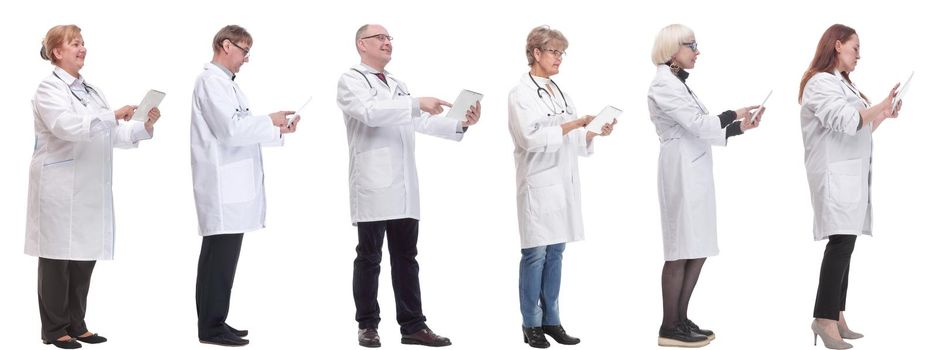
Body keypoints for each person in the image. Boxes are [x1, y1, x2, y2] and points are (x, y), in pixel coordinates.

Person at [336, 23, 480, 348]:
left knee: (406, 257)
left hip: (403, 186)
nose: (388, 42)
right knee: (369, 256)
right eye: (380, 38)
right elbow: (370, 113)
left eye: (390, 38)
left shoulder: (399, 85)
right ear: (362, 44)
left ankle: (413, 326)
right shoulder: (351, 80)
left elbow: (420, 121)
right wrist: (416, 103)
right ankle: (368, 326)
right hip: (372, 183)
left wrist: (461, 122)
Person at [25, 24, 161, 349]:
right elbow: (66, 126)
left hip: (88, 188)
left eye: (83, 43)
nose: (82, 48)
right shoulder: (49, 89)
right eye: (75, 44)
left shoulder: (91, 91)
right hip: (59, 187)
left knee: (84, 257)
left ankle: (77, 323)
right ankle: (54, 329)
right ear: (57, 51)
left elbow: (111, 133)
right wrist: (113, 116)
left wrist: (143, 125)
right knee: (57, 259)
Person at [647, 24, 763, 348]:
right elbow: (698, 125)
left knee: (697, 247)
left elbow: (700, 124)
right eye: (691, 45)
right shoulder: (663, 85)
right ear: (672, 50)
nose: (697, 51)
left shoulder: (678, 84)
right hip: (680, 172)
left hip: (694, 171)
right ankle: (669, 325)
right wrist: (736, 123)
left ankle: (681, 319)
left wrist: (736, 119)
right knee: (680, 249)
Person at [190, 24, 300, 347]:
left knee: (223, 260)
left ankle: (216, 320)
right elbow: (230, 130)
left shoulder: (227, 84)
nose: (246, 59)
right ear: (226, 45)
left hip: (232, 188)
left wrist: (276, 128)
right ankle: (210, 327)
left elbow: (240, 127)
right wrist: (270, 121)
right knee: (217, 260)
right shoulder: (210, 81)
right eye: (244, 50)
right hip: (221, 187)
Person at [507, 25, 615, 349]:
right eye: (554, 52)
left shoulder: (560, 91)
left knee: (556, 253)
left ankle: (552, 320)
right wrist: (576, 122)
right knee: (535, 254)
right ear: (536, 53)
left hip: (562, 186)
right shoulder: (520, 94)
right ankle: (531, 324)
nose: (559, 58)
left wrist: (594, 131)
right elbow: (530, 137)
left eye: (561, 52)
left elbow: (573, 139)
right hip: (539, 186)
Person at [799, 24, 900, 350]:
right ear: (838, 45)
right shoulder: (819, 83)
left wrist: (883, 112)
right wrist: (877, 106)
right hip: (833, 175)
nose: (859, 55)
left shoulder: (843, 84)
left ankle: (836, 315)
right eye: (855, 48)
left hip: (849, 174)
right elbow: (846, 121)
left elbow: (861, 128)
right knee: (840, 243)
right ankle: (823, 319)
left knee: (847, 242)